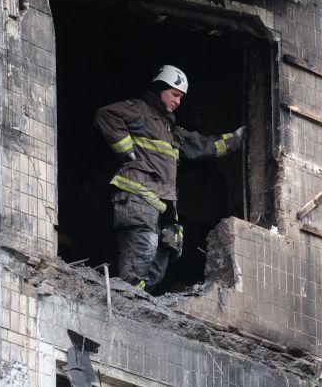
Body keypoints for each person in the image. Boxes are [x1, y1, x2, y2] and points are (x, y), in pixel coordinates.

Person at [94, 65, 246, 293]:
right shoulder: (140, 110)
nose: (178, 101)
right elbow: (107, 114)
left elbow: (202, 145)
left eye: (181, 97)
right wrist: (126, 151)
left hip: (162, 207)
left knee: (159, 262)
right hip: (137, 196)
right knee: (143, 248)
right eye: (174, 94)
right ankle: (127, 295)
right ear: (160, 89)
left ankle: (138, 298)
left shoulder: (170, 129)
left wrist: (237, 139)